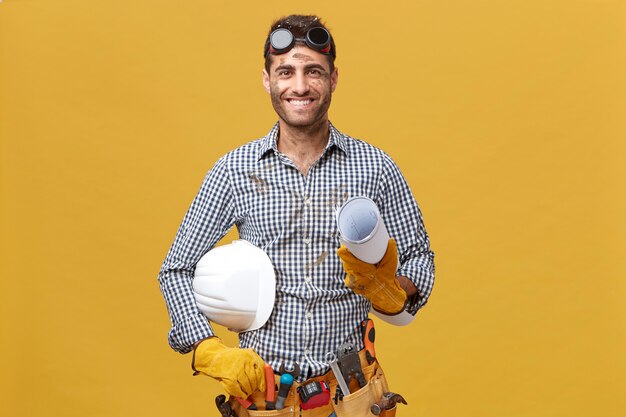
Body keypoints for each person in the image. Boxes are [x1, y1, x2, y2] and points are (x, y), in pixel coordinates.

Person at [157, 14, 435, 417]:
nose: (300, 86)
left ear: (334, 79)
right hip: (265, 400)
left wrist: (393, 292)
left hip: (353, 396)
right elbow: (176, 269)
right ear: (267, 79)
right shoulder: (234, 171)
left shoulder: (375, 167)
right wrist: (206, 349)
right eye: (286, 71)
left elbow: (420, 256)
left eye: (313, 72)